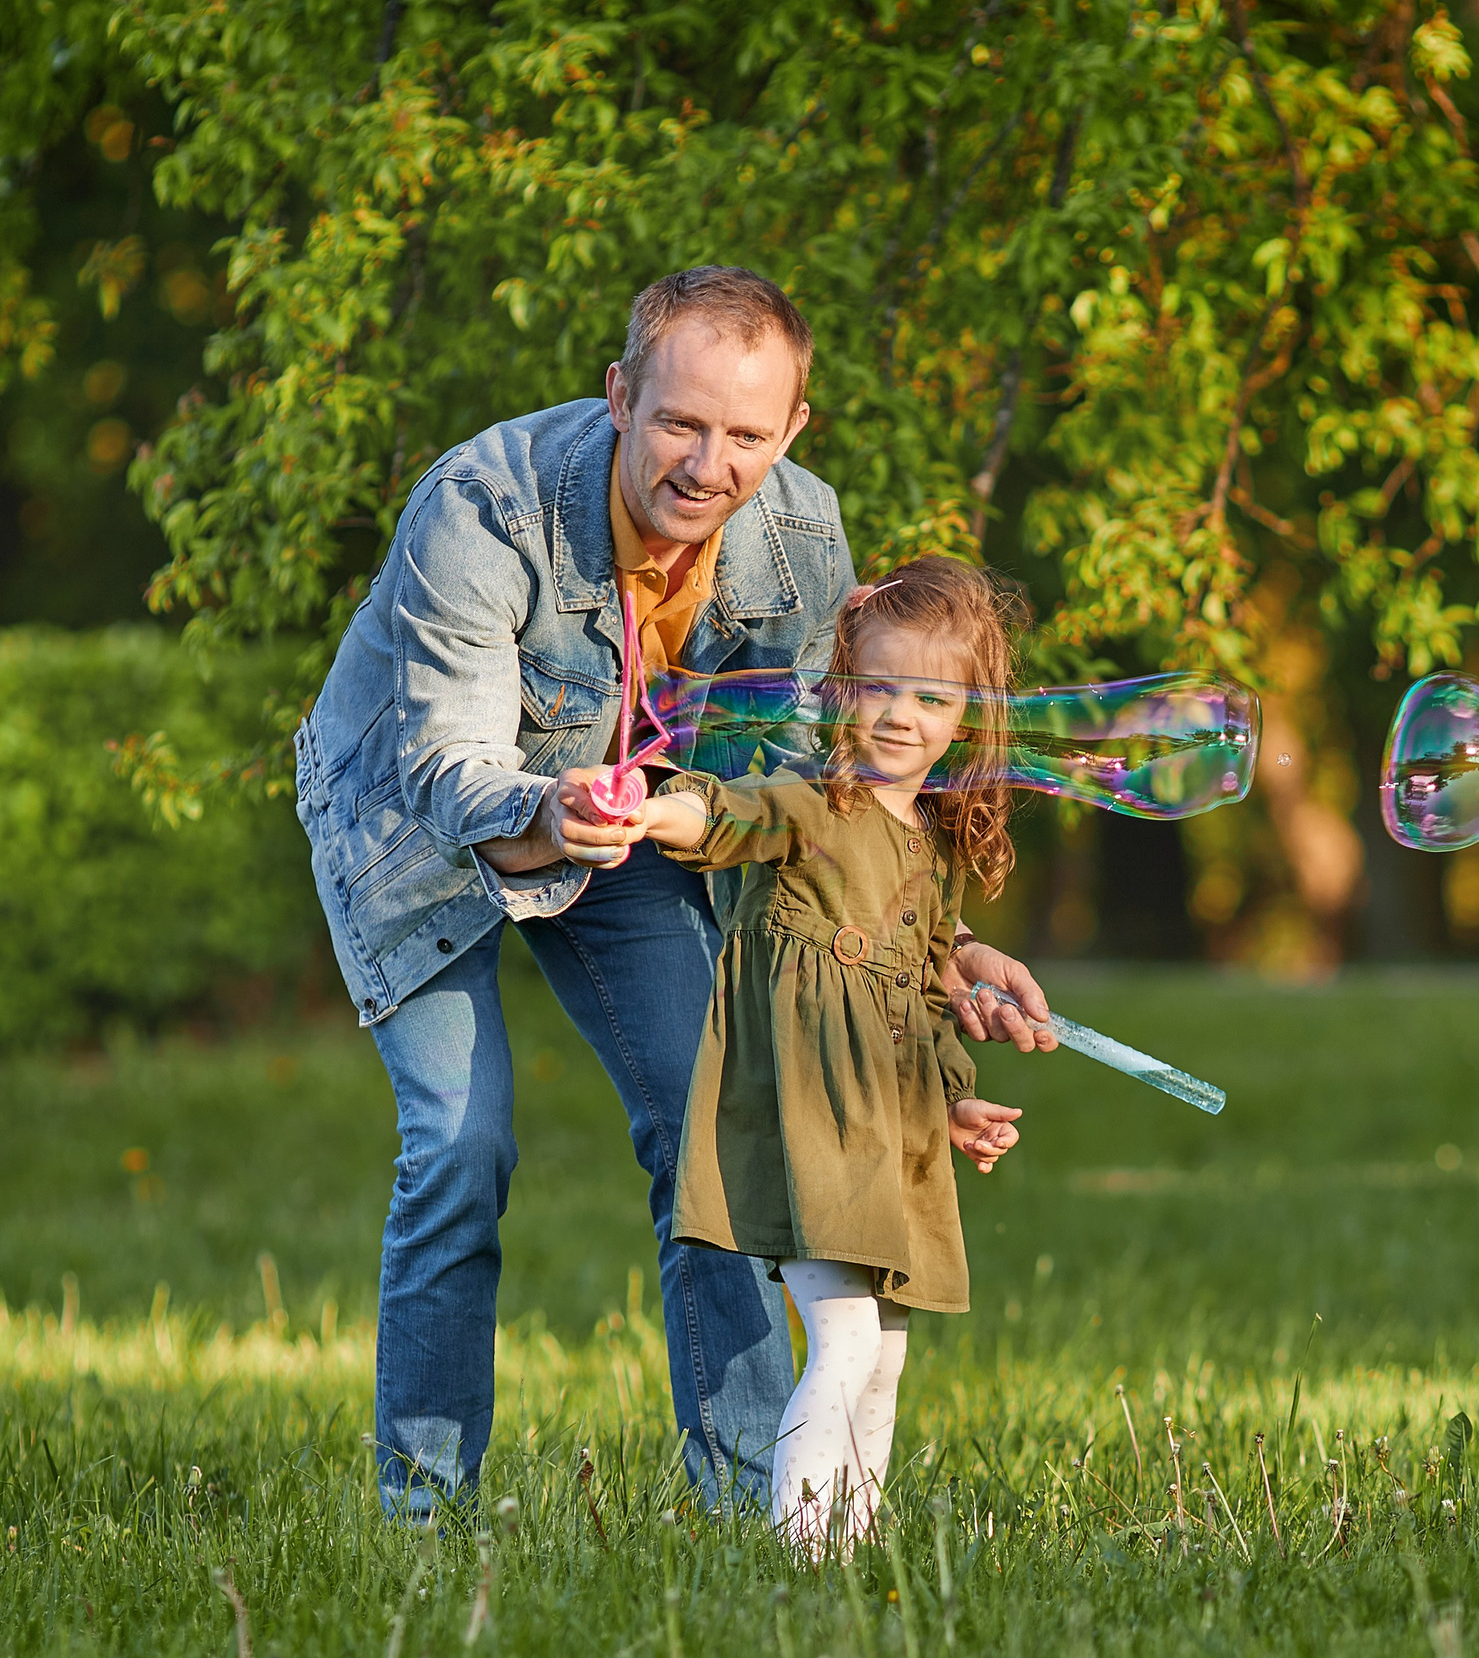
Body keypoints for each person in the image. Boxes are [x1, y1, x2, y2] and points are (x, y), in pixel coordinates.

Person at [294, 267, 1052, 1521]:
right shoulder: (481, 506)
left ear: (794, 430)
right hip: (414, 828)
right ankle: (423, 1515)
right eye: (680, 424)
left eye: (747, 435)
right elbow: (443, 766)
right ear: (619, 397)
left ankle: (757, 1502)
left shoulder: (803, 538)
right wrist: (555, 810)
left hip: (644, 821)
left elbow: (820, 796)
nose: (709, 464)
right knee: (461, 1146)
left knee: (715, 1117)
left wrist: (940, 942)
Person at [600, 555, 1025, 1551]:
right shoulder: (812, 803)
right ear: (843, 689)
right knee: (841, 1339)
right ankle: (797, 1554)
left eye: (929, 696)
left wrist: (955, 1102)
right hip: (809, 1121)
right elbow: (725, 816)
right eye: (878, 687)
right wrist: (650, 809)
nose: (898, 715)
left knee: (886, 1358)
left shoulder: (927, 847)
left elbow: (926, 988)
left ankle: (857, 1547)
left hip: (891, 1133)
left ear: (964, 716)